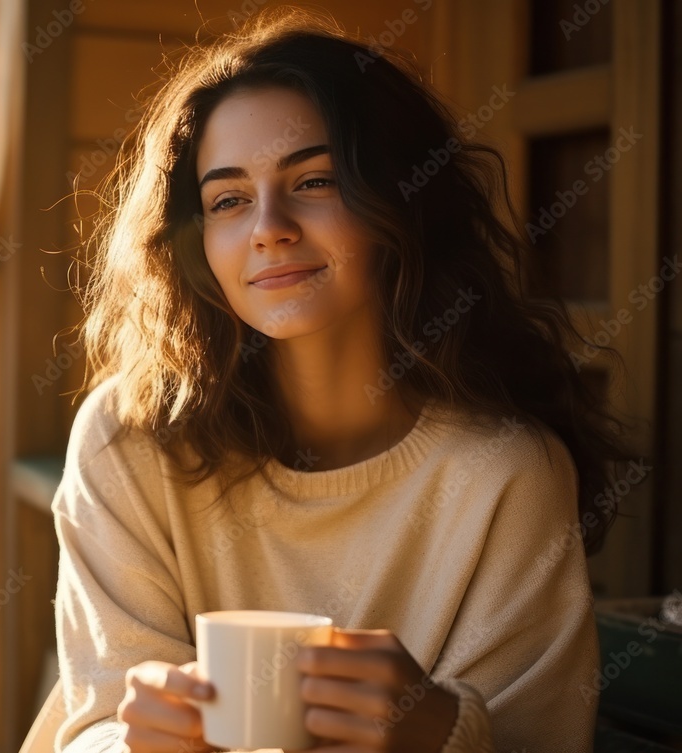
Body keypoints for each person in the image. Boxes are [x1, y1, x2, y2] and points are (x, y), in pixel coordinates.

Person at [48, 7, 633, 752]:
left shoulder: (507, 475)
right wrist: (133, 744)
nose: (268, 225)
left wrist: (442, 730)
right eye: (227, 199)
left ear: (403, 201)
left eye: (315, 179)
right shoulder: (126, 440)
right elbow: (91, 722)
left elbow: (539, 738)